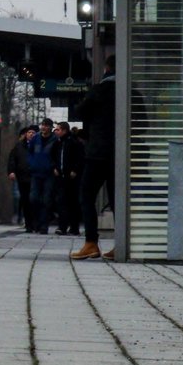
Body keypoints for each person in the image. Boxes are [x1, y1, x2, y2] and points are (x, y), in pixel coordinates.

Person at [71, 54, 117, 260]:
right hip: (120, 157)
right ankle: (122, 244)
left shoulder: (99, 90)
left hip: (98, 154)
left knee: (87, 196)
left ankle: (91, 243)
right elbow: (143, 121)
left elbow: (79, 112)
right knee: (118, 200)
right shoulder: (130, 92)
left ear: (107, 69)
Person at [27, 118, 57, 234]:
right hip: (36, 172)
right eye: (42, 125)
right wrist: (31, 163)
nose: (44, 127)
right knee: (33, 198)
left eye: (46, 125)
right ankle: (36, 222)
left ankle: (44, 225)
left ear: (50, 127)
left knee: (46, 199)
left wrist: (53, 166)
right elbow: (30, 152)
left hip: (49, 173)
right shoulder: (36, 138)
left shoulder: (54, 140)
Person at [54, 121, 84, 236]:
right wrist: (55, 167)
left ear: (65, 130)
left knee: (72, 202)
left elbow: (80, 158)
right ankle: (62, 226)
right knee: (62, 202)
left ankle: (74, 227)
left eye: (59, 130)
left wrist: (75, 170)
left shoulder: (74, 143)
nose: (57, 132)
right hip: (60, 176)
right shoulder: (58, 143)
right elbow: (53, 156)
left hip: (72, 177)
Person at [7, 125, 36, 233]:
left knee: (34, 199)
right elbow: (12, 159)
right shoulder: (19, 146)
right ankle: (29, 225)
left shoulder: (39, 146)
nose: (31, 134)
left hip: (36, 177)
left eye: (33, 133)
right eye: (29, 132)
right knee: (25, 200)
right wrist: (11, 171)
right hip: (23, 177)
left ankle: (36, 223)